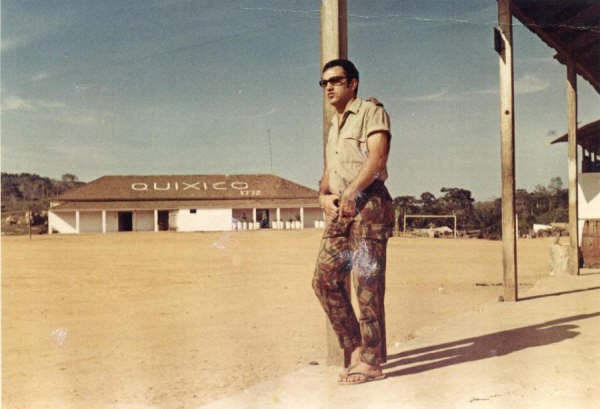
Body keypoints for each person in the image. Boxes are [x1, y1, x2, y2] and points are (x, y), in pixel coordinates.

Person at [312, 59, 395, 385]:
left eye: (336, 81)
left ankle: (372, 361)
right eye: (324, 83)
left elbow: (377, 157)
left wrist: (352, 191)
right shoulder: (335, 125)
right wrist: (323, 195)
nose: (329, 87)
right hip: (340, 208)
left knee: (367, 286)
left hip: (368, 204)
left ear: (353, 83)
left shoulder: (371, 112)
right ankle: (355, 348)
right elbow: (331, 169)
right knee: (324, 279)